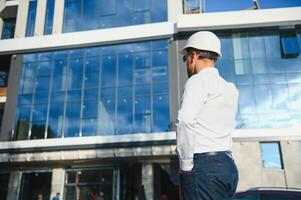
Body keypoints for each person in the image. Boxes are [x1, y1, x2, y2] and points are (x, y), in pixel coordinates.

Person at [176, 31, 239, 200]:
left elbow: (185, 120)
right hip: (228, 166)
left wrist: (186, 166)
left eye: (185, 58)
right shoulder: (230, 89)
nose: (186, 63)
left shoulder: (197, 81)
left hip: (204, 166)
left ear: (193, 56)